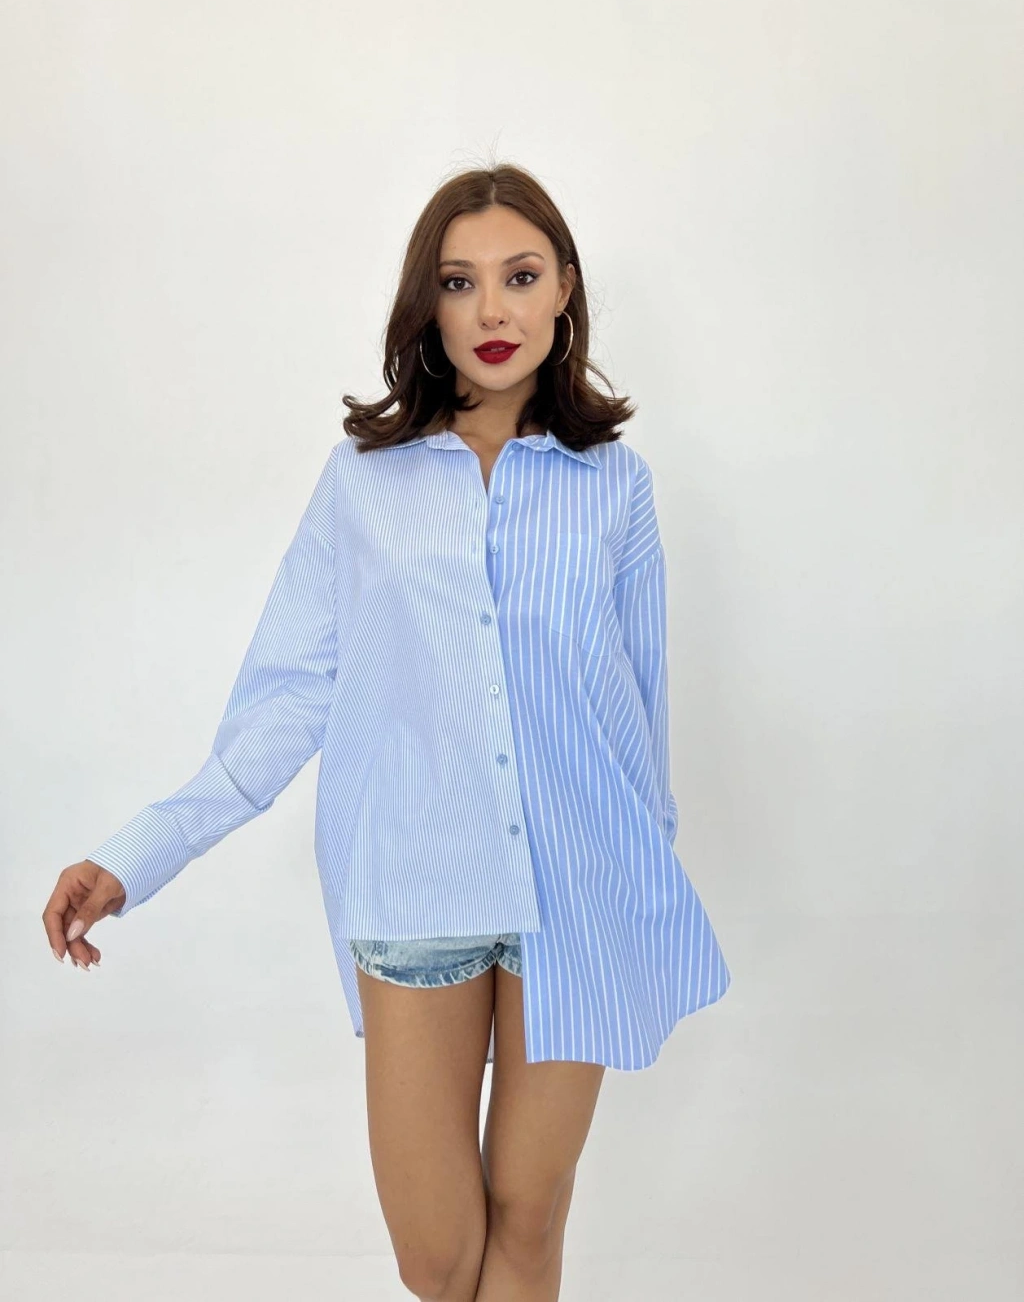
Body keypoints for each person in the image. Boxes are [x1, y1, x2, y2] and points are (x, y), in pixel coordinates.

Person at [42, 162, 731, 1301]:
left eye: (521, 276)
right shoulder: (363, 482)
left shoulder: (615, 486)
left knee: (529, 1217)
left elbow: (638, 706)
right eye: (460, 283)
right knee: (438, 1257)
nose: (493, 309)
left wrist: (642, 874)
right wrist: (137, 854)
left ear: (565, 289)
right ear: (429, 306)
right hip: (416, 884)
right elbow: (290, 693)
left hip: (581, 886)